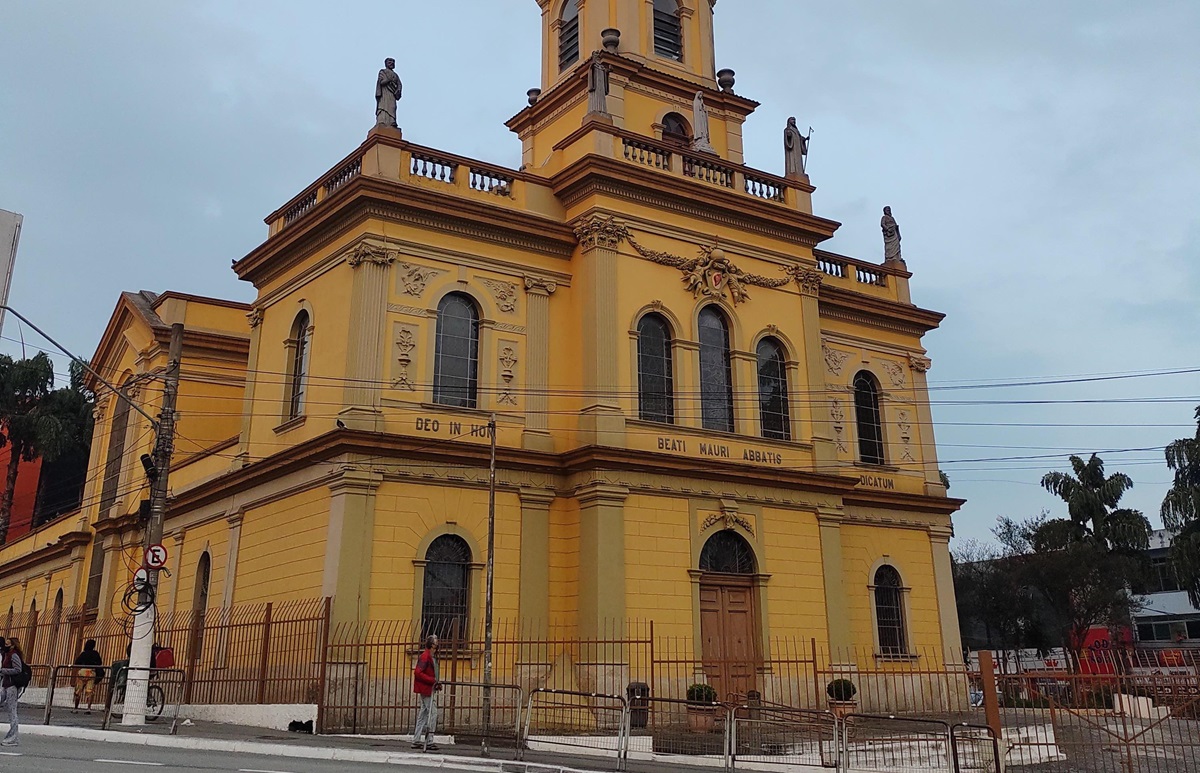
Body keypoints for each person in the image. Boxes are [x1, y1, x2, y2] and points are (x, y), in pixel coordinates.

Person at [411, 635, 441, 751]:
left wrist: (436, 683)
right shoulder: (425, 657)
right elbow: (418, 673)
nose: (437, 643)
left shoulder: (430, 656)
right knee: (432, 714)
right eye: (435, 641)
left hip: (428, 688)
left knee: (423, 714)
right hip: (426, 689)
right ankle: (429, 741)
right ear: (432, 645)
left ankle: (416, 739)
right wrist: (432, 681)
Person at [1, 636, 26, 746]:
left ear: (12, 645)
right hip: (5, 685)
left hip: (12, 686)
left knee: (12, 712)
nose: (5, 645)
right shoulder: (7, 655)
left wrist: (2, 670)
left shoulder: (14, 655)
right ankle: (11, 737)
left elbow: (18, 669)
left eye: (7, 644)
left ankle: (13, 738)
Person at [72, 639, 105, 714]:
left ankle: (76, 708)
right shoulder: (95, 653)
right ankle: (88, 709)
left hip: (82, 672)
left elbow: (77, 662)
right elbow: (100, 662)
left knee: (78, 690)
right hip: (91, 672)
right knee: (89, 691)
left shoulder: (83, 653)